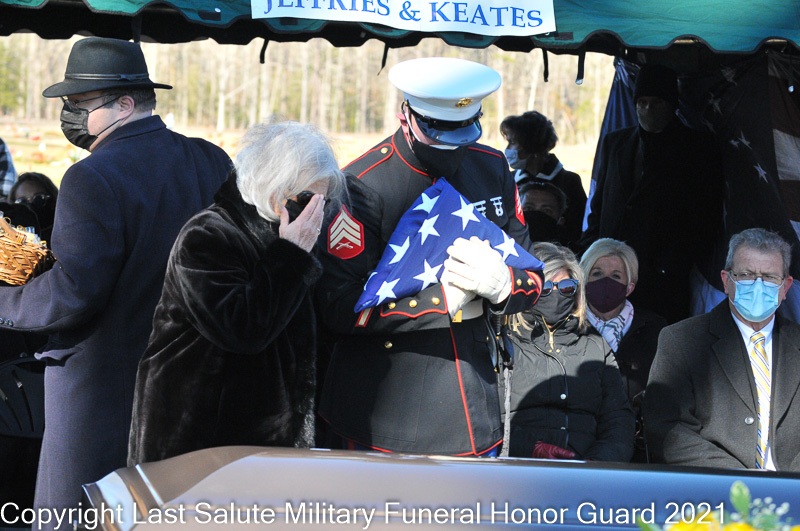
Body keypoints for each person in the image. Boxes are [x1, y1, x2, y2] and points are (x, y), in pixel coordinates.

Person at [0, 36, 231, 519]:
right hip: (190, 386)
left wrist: (7, 300)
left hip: (100, 398)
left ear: (124, 104)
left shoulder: (92, 176)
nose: (69, 114)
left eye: (79, 104)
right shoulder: (211, 160)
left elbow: (73, 294)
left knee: (74, 516)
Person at [315, 57, 544, 456]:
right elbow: (337, 306)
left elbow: (531, 270)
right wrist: (440, 301)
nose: (454, 149)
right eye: (439, 132)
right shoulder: (363, 185)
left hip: (475, 394)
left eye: (464, 131)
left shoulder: (491, 168)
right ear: (406, 116)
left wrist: (505, 286)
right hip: (389, 408)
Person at [129, 121, 346, 464]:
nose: (316, 212)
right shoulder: (208, 236)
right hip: (200, 444)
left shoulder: (291, 235)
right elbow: (243, 329)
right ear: (273, 187)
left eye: (324, 201)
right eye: (307, 199)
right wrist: (291, 255)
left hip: (265, 446)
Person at [578, 64, 724, 324]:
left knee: (657, 339)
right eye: (642, 102)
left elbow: (705, 216)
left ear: (672, 105)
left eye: (656, 103)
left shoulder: (698, 149)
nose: (647, 109)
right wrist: (591, 251)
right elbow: (600, 206)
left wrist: (672, 264)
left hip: (663, 281)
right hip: (610, 273)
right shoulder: (616, 143)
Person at [645, 228, 800, 471]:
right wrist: (740, 480)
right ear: (726, 281)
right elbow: (666, 426)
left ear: (786, 287)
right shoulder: (681, 340)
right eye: (747, 275)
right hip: (716, 486)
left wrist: (787, 484)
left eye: (769, 277)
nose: (758, 285)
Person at [502, 242, 634, 461]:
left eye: (566, 287)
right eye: (545, 287)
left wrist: (596, 463)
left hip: (585, 471)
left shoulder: (595, 345)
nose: (555, 294)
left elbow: (618, 421)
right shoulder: (503, 343)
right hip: (520, 468)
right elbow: (482, 421)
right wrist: (527, 448)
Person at [578, 238, 666, 462]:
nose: (605, 281)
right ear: (583, 279)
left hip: (638, 452)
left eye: (616, 276)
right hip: (580, 446)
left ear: (630, 287)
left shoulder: (656, 330)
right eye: (597, 273)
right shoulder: (567, 326)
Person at [500, 111, 586, 247]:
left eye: (512, 142)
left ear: (531, 145)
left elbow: (577, 231)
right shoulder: (509, 179)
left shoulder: (569, 182)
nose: (508, 149)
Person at [8, 172, 59, 244]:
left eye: (38, 198)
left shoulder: (64, 237)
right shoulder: (9, 243)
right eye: (22, 202)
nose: (30, 206)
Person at [519, 181, 570, 246]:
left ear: (560, 221)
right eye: (529, 208)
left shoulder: (572, 251)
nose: (536, 215)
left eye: (546, 211)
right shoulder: (506, 244)